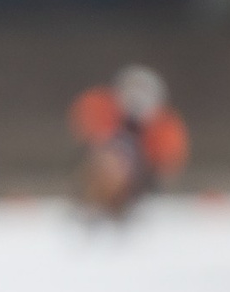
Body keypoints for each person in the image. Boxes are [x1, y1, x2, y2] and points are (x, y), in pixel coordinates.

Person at [69, 64, 189, 220]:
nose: (137, 99)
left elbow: (165, 166)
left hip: (140, 183)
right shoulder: (101, 110)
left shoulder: (165, 128)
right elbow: (93, 140)